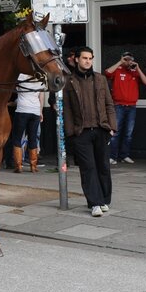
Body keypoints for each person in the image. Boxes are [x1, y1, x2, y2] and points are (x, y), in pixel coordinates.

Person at [63, 47, 116, 217]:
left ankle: (104, 200)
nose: (88, 61)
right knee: (88, 168)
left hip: (101, 129)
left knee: (103, 166)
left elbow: (109, 104)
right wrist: (71, 132)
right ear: (77, 59)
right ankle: (94, 203)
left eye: (90, 58)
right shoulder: (69, 81)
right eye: (84, 58)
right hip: (82, 132)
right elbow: (67, 109)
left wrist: (112, 127)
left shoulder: (100, 79)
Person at [104, 51, 146, 165]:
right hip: (118, 105)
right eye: (126, 58)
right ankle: (113, 157)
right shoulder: (118, 69)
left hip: (132, 106)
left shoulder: (135, 71)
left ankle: (125, 155)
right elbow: (107, 73)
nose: (128, 61)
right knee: (116, 132)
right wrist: (120, 62)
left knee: (128, 133)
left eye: (130, 59)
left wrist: (137, 68)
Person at [10, 74, 45, 173]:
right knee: (32, 138)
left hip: (22, 110)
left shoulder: (20, 77)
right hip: (35, 111)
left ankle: (18, 166)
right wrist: (40, 111)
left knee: (17, 138)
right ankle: (33, 166)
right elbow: (41, 96)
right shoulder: (40, 78)